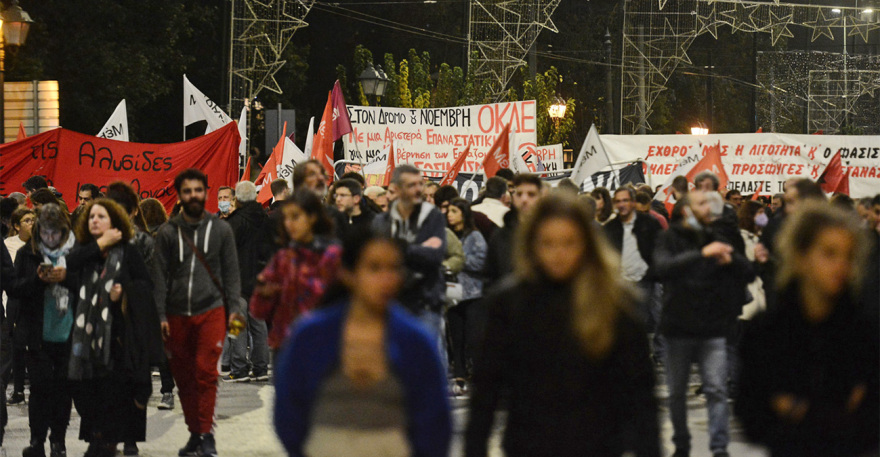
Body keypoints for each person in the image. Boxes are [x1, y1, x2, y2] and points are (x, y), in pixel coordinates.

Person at [465, 195, 659, 457]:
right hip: (531, 444)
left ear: (587, 245)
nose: (559, 254)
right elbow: (486, 391)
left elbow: (640, 394)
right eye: (548, 243)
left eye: (569, 243)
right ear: (532, 245)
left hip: (598, 444)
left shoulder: (613, 302)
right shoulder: (509, 303)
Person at [273, 232, 451, 457]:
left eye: (394, 268)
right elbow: (289, 411)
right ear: (349, 274)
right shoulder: (312, 335)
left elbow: (434, 422)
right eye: (374, 268)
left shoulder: (415, 341)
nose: (387, 279)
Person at [736, 203, 879, 456]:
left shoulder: (863, 330)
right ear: (800, 256)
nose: (841, 265)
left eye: (848, 256)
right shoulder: (769, 330)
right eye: (829, 253)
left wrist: (797, 411)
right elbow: (752, 415)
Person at [653, 190, 755, 457]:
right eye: (701, 204)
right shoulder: (670, 238)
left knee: (717, 389)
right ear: (687, 210)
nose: (707, 208)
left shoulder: (718, 236)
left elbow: (748, 271)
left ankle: (720, 448)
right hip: (678, 329)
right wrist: (701, 254)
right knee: (676, 394)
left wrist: (731, 260)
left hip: (713, 328)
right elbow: (663, 268)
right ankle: (682, 445)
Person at [153, 169, 244, 457]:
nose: (193, 195)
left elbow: (231, 274)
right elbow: (157, 277)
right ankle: (195, 432)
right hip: (176, 314)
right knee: (184, 377)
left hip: (211, 311)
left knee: (205, 373)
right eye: (187, 191)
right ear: (180, 196)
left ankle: (206, 434)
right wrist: (160, 315)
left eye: (198, 190)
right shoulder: (167, 233)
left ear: (206, 192)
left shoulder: (221, 230)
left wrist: (234, 311)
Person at [66, 199, 162, 457]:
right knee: (84, 391)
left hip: (118, 337)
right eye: (91, 216)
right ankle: (99, 438)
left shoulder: (128, 250)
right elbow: (68, 267)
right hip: (85, 336)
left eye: (101, 216)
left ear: (115, 222)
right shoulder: (84, 248)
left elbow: (146, 285)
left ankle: (106, 441)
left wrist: (126, 293)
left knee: (111, 393)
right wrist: (99, 245)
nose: (94, 220)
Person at [7, 204, 77, 457]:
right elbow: (14, 288)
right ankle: (37, 440)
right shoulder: (27, 253)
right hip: (37, 334)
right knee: (39, 389)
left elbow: (88, 287)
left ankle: (58, 442)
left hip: (68, 333)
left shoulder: (75, 253)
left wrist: (66, 277)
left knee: (63, 391)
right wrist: (38, 279)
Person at [371, 165, 447, 369]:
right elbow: (376, 260)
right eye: (411, 185)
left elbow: (435, 256)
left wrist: (401, 248)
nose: (418, 190)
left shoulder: (433, 218)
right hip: (391, 303)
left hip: (425, 301)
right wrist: (418, 248)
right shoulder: (380, 222)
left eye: (420, 184)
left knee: (426, 365)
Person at [250, 189, 342, 355]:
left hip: (323, 346)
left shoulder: (332, 256)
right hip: (285, 348)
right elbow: (259, 311)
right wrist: (264, 293)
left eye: (295, 217)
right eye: (286, 218)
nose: (289, 224)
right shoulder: (283, 258)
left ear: (312, 217)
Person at [604, 187, 664, 362]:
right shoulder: (611, 228)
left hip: (645, 279)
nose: (622, 204)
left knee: (648, 318)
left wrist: (652, 271)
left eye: (625, 200)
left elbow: (660, 248)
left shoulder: (650, 224)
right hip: (621, 281)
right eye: (618, 201)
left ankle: (649, 354)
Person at [223, 181, 273, 382]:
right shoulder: (266, 220)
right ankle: (261, 368)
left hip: (239, 283)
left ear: (237, 199)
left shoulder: (236, 222)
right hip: (260, 281)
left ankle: (239, 368)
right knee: (259, 326)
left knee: (236, 325)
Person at [444, 198, 487, 397]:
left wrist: (457, 260)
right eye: (448, 211)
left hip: (472, 294)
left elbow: (481, 262)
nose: (449, 215)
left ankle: (477, 376)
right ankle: (459, 376)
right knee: (456, 338)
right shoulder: (446, 235)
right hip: (452, 294)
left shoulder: (475, 236)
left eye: (454, 211)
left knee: (473, 338)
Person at [484, 174, 543, 287]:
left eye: (531, 194)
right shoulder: (500, 235)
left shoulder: (551, 234)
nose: (524, 199)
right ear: (513, 197)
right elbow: (490, 278)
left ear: (540, 197)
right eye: (519, 194)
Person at [4, 209, 35, 406]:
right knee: (16, 347)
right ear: (16, 226)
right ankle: (17, 390)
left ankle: (36, 387)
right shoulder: (9, 245)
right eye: (27, 220)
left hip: (35, 302)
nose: (31, 223)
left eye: (34, 220)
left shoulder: (43, 245)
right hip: (14, 300)